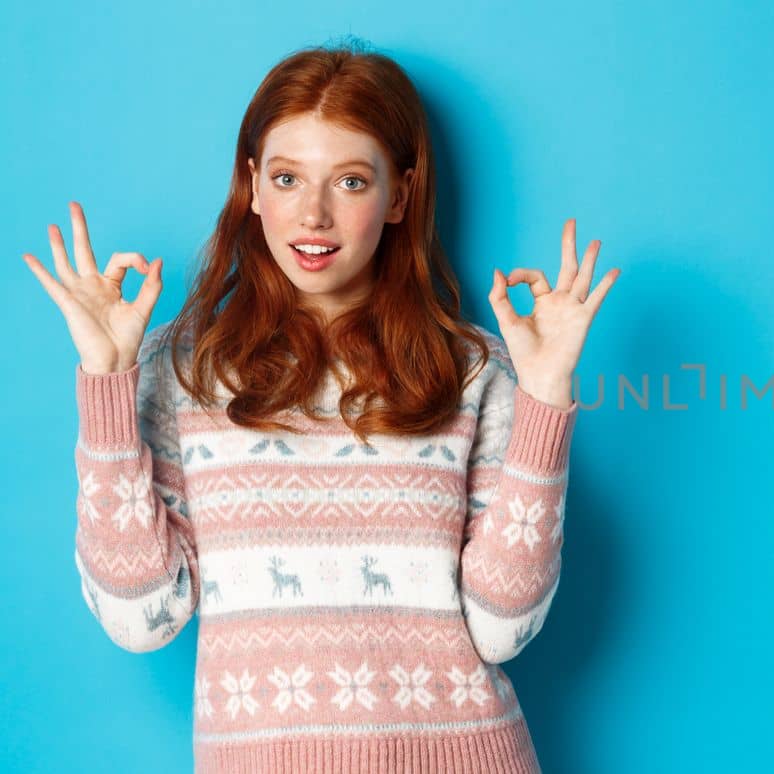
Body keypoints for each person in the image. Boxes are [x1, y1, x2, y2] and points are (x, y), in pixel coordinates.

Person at [21, 40, 618, 773]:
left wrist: (546, 400)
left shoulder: (470, 370)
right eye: (287, 177)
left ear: (400, 195)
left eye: (351, 182)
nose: (313, 215)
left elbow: (501, 629)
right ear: (253, 186)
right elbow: (140, 617)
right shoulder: (182, 370)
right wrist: (106, 379)